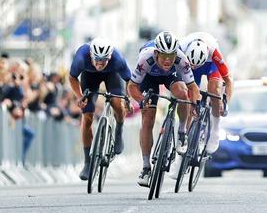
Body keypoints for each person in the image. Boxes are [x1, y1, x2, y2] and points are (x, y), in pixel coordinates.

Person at [126, 31, 200, 187]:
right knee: (148, 119)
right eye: (164, 56)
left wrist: (195, 103)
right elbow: (131, 86)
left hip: (171, 76)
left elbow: (193, 87)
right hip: (149, 78)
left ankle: (181, 133)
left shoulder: (181, 59)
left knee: (182, 93)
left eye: (171, 56)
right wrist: (141, 100)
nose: (168, 60)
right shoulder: (145, 59)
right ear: (156, 53)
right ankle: (146, 168)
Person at [68, 38, 132, 181]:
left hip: (112, 76)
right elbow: (72, 77)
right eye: (96, 60)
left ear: (110, 57)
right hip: (89, 77)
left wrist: (127, 99)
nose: (99, 64)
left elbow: (130, 81)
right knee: (87, 117)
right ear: (91, 55)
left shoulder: (118, 59)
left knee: (117, 102)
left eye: (103, 60)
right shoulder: (81, 57)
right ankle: (87, 162)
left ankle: (119, 130)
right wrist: (79, 96)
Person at [179, 31, 233, 155]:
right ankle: (183, 142)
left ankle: (215, 131)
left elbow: (228, 79)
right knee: (188, 99)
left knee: (214, 91)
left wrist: (225, 101)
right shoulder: (181, 48)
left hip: (210, 65)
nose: (194, 66)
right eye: (193, 64)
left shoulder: (214, 52)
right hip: (188, 66)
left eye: (196, 65)